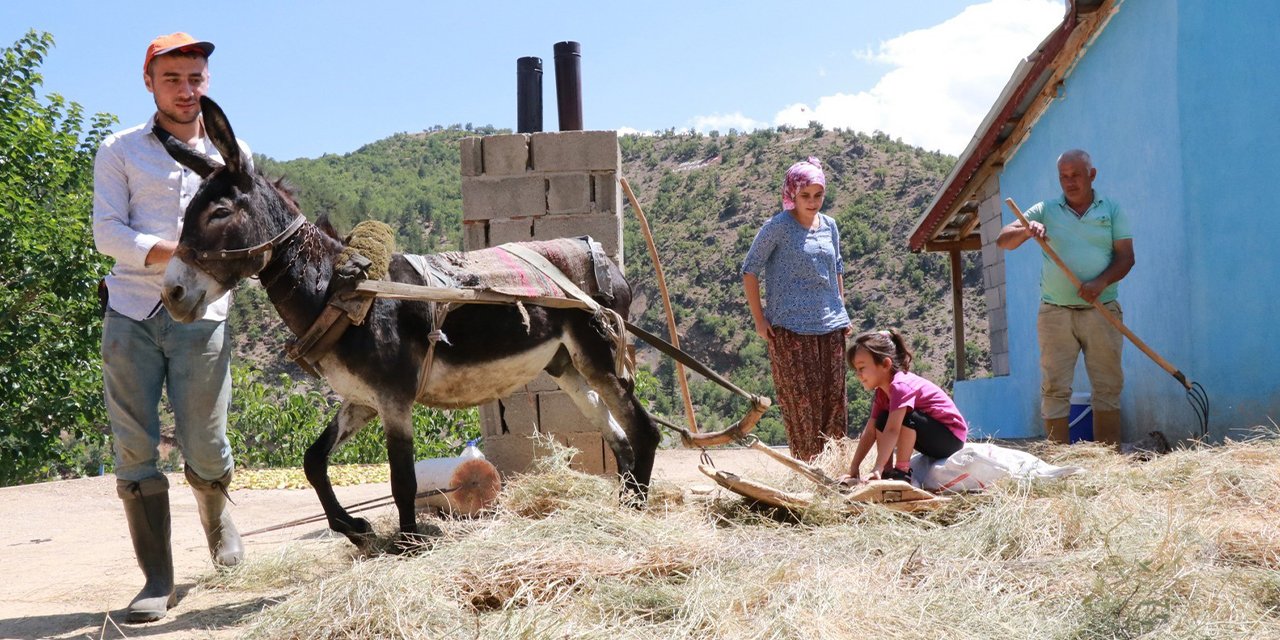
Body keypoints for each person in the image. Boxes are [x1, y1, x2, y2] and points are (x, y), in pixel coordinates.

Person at [92, 32, 252, 623]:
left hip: (203, 318)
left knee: (205, 441)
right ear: (149, 82)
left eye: (195, 78)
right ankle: (157, 577)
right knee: (134, 447)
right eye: (173, 79)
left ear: (206, 82)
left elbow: (246, 231)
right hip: (131, 312)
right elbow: (108, 234)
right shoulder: (120, 150)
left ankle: (218, 520)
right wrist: (182, 254)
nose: (186, 90)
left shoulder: (235, 154)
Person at [996, 149, 1134, 447]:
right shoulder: (1046, 209)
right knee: (1055, 386)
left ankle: (1109, 458)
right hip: (1055, 313)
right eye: (1064, 177)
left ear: (1091, 175)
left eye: (1076, 176)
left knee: (1107, 385)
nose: (1069, 182)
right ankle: (1058, 458)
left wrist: (1099, 283)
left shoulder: (1110, 210)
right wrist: (1027, 231)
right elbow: (1003, 239)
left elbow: (1126, 258)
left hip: (1102, 309)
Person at [742, 157, 852, 461]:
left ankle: (836, 469)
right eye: (806, 195)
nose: (813, 202)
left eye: (818, 195)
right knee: (803, 404)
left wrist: (841, 307)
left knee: (834, 403)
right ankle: (809, 469)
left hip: (831, 326)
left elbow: (837, 267)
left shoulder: (830, 226)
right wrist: (759, 319)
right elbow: (749, 270)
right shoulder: (777, 227)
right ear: (792, 193)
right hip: (790, 329)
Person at [839, 329, 967, 484]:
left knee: (905, 417)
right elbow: (870, 431)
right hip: (930, 439)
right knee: (882, 419)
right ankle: (886, 471)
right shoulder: (881, 393)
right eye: (856, 370)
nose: (858, 375)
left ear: (886, 364)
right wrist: (854, 468)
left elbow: (893, 430)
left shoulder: (900, 386)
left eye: (862, 368)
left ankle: (902, 473)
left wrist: (876, 467)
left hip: (950, 440)